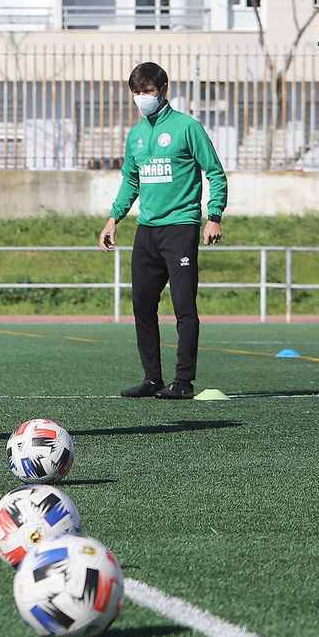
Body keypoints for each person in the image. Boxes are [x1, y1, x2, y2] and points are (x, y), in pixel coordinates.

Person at [99, 61, 227, 400]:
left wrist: (213, 215)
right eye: (137, 93)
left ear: (163, 91)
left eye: (148, 92)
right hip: (147, 231)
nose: (142, 98)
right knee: (142, 304)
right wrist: (114, 218)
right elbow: (130, 180)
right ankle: (152, 379)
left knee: (184, 306)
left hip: (181, 228)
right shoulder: (136, 135)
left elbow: (215, 173)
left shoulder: (187, 127)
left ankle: (184, 381)